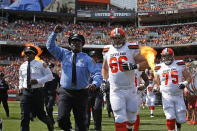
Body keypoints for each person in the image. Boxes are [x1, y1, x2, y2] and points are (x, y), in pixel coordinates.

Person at [46, 25, 102, 131]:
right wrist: (54, 33)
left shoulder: (87, 59)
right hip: (65, 92)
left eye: (78, 41)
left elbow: (97, 73)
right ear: (70, 44)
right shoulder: (63, 54)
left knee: (81, 123)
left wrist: (95, 83)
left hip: (81, 93)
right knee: (61, 118)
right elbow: (50, 47)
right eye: (73, 42)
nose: (75, 43)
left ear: (82, 44)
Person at [102, 28, 149, 131]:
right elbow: (105, 68)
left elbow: (145, 63)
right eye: (115, 38)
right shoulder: (107, 49)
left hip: (130, 88)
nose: (117, 40)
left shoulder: (131, 48)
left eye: (119, 38)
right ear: (111, 39)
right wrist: (104, 81)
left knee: (132, 117)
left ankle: (129, 128)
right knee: (119, 116)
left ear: (124, 38)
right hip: (116, 90)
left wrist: (134, 66)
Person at [154, 48, 192, 131]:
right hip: (166, 95)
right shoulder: (158, 67)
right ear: (162, 57)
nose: (166, 58)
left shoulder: (179, 64)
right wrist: (156, 87)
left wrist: (184, 83)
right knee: (170, 116)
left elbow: (188, 77)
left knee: (181, 118)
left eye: (168, 56)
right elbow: (157, 82)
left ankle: (178, 129)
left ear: (172, 56)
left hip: (178, 94)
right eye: (165, 56)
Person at [19, 46, 54, 131]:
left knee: (40, 115)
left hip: (38, 92)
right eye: (26, 53)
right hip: (26, 92)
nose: (27, 55)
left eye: (29, 53)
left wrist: (38, 81)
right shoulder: (22, 66)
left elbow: (50, 76)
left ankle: (49, 122)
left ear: (34, 54)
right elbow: (21, 78)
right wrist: (20, 87)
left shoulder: (41, 64)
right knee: (24, 115)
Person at [86, 50, 103, 131]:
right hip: (87, 91)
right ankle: (85, 127)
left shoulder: (101, 66)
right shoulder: (85, 66)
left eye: (95, 57)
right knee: (86, 111)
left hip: (97, 90)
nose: (94, 59)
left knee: (97, 109)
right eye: (92, 57)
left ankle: (98, 128)